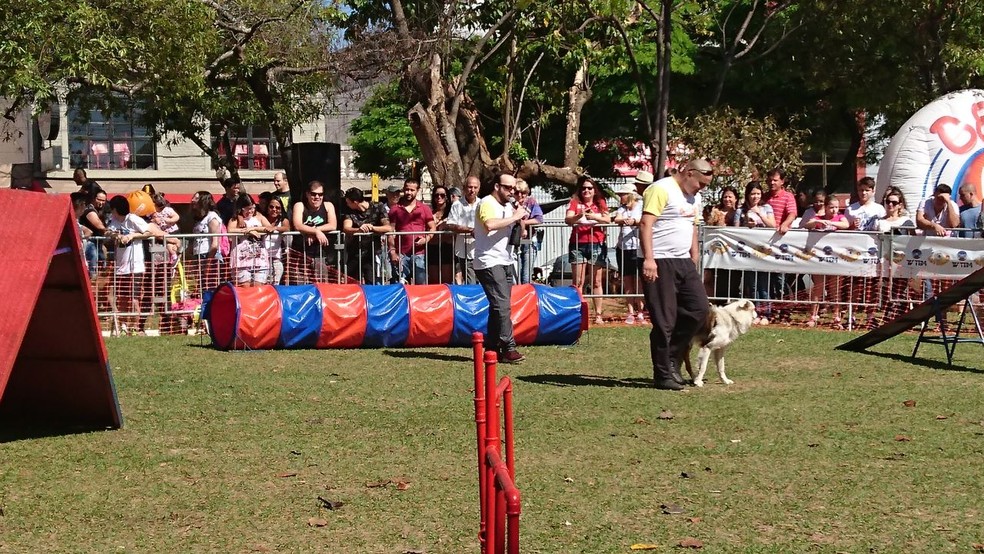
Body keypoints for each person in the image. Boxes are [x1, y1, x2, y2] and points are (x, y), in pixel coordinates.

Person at [639, 159, 713, 391]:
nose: (702, 188)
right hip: (660, 260)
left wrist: (694, 252)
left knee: (699, 309)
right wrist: (649, 259)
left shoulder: (694, 197)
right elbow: (645, 224)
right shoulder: (661, 189)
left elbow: (692, 224)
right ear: (689, 173)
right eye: (701, 183)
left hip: (684, 261)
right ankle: (663, 374)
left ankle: (673, 357)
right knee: (664, 320)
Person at [474, 173, 527, 364]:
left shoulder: (508, 206)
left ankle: (492, 347)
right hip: (488, 260)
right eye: (508, 188)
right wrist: (514, 216)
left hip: (505, 260)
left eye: (514, 189)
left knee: (498, 307)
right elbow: (489, 224)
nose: (512, 192)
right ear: (497, 186)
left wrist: (520, 218)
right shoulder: (487, 203)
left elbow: (522, 232)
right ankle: (508, 347)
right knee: (502, 305)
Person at [105, 195, 164, 335]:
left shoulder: (132, 219)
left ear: (115, 209)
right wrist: (115, 235)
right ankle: (123, 325)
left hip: (135, 266)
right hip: (121, 266)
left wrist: (132, 236)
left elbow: (148, 232)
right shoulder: (114, 221)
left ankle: (135, 327)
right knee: (121, 297)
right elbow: (107, 231)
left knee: (134, 297)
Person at [564, 175, 611, 325]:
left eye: (589, 188)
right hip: (578, 244)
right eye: (584, 188)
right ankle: (578, 314)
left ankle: (598, 314)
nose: (586, 191)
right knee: (578, 281)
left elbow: (607, 219)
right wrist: (580, 215)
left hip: (597, 243)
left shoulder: (600, 202)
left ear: (594, 190)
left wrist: (593, 216)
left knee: (597, 281)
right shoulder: (574, 203)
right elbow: (568, 220)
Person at [800, 193, 850, 328]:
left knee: (835, 289)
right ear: (826, 207)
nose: (834, 210)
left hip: (835, 259)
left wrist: (833, 223)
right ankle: (813, 315)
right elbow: (807, 224)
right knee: (818, 288)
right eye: (831, 207)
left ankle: (836, 316)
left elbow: (846, 224)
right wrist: (818, 222)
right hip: (819, 259)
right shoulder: (819, 217)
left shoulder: (840, 217)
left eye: (836, 208)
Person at [734, 181, 776, 324]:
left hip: (764, 252)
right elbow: (735, 230)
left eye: (758, 193)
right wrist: (747, 224)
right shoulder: (741, 211)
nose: (755, 196)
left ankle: (766, 313)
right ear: (747, 195)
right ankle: (755, 313)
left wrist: (760, 216)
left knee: (764, 284)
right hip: (748, 253)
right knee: (752, 285)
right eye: (753, 193)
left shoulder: (766, 208)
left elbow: (773, 225)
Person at [289, 180, 339, 283]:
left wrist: (315, 231)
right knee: (300, 285)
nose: (317, 197)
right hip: (300, 254)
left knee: (321, 285)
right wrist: (316, 232)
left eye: (320, 194)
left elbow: (333, 225)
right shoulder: (299, 205)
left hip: (320, 255)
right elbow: (297, 225)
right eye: (313, 194)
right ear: (307, 194)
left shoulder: (328, 205)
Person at [387, 179, 435, 285]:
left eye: (412, 190)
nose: (409, 192)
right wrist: (393, 252)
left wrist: (426, 239)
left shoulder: (424, 208)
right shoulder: (395, 209)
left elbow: (432, 227)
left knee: (421, 286)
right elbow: (390, 231)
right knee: (399, 286)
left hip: (419, 254)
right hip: (401, 254)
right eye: (407, 189)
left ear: (417, 191)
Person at [341, 187, 391, 284]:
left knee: (371, 281)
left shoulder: (378, 207)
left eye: (348, 202)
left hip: (372, 252)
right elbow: (346, 228)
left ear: (355, 202)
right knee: (352, 281)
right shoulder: (349, 212)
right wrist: (359, 230)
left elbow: (388, 228)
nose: (346, 204)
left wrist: (372, 228)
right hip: (354, 252)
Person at [613, 182, 644, 324]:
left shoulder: (641, 206)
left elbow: (643, 220)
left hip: (637, 248)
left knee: (638, 281)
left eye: (622, 194)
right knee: (627, 281)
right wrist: (625, 220)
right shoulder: (622, 208)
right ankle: (630, 312)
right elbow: (617, 219)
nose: (620, 197)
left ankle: (641, 312)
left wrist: (635, 221)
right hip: (623, 248)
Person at [228, 194, 274, 286]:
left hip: (259, 258)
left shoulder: (259, 216)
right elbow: (230, 230)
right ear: (241, 208)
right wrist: (247, 232)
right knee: (245, 287)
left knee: (259, 287)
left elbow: (270, 227)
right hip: (241, 260)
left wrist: (252, 229)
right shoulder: (235, 219)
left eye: (252, 208)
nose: (251, 211)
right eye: (247, 209)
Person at [446, 176, 481, 284]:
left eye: (475, 187)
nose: (472, 190)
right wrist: (470, 230)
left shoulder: (483, 203)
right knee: (470, 281)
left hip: (481, 249)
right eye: (470, 187)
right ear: (464, 188)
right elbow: (451, 224)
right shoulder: (457, 205)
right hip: (464, 250)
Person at [189, 191, 226, 291]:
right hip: (199, 255)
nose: (192, 200)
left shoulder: (212, 217)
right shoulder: (199, 219)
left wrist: (208, 263)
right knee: (202, 286)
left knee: (210, 286)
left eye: (196, 198)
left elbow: (215, 242)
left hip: (209, 256)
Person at [514, 179, 544, 284]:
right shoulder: (509, 204)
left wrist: (523, 223)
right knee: (514, 276)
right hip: (513, 242)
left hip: (529, 241)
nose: (520, 195)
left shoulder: (531, 202)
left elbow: (539, 219)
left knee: (526, 276)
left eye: (523, 193)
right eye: (517, 192)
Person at [427, 184, 455, 283]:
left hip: (447, 248)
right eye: (436, 195)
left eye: (442, 195)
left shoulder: (452, 213)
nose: (439, 197)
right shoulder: (429, 213)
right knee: (434, 280)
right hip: (432, 248)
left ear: (447, 197)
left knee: (447, 280)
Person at [263, 196, 291, 285]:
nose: (274, 210)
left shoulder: (283, 220)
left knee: (275, 285)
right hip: (261, 259)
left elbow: (287, 228)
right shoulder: (262, 218)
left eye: (278, 208)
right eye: (271, 207)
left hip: (276, 259)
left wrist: (275, 228)